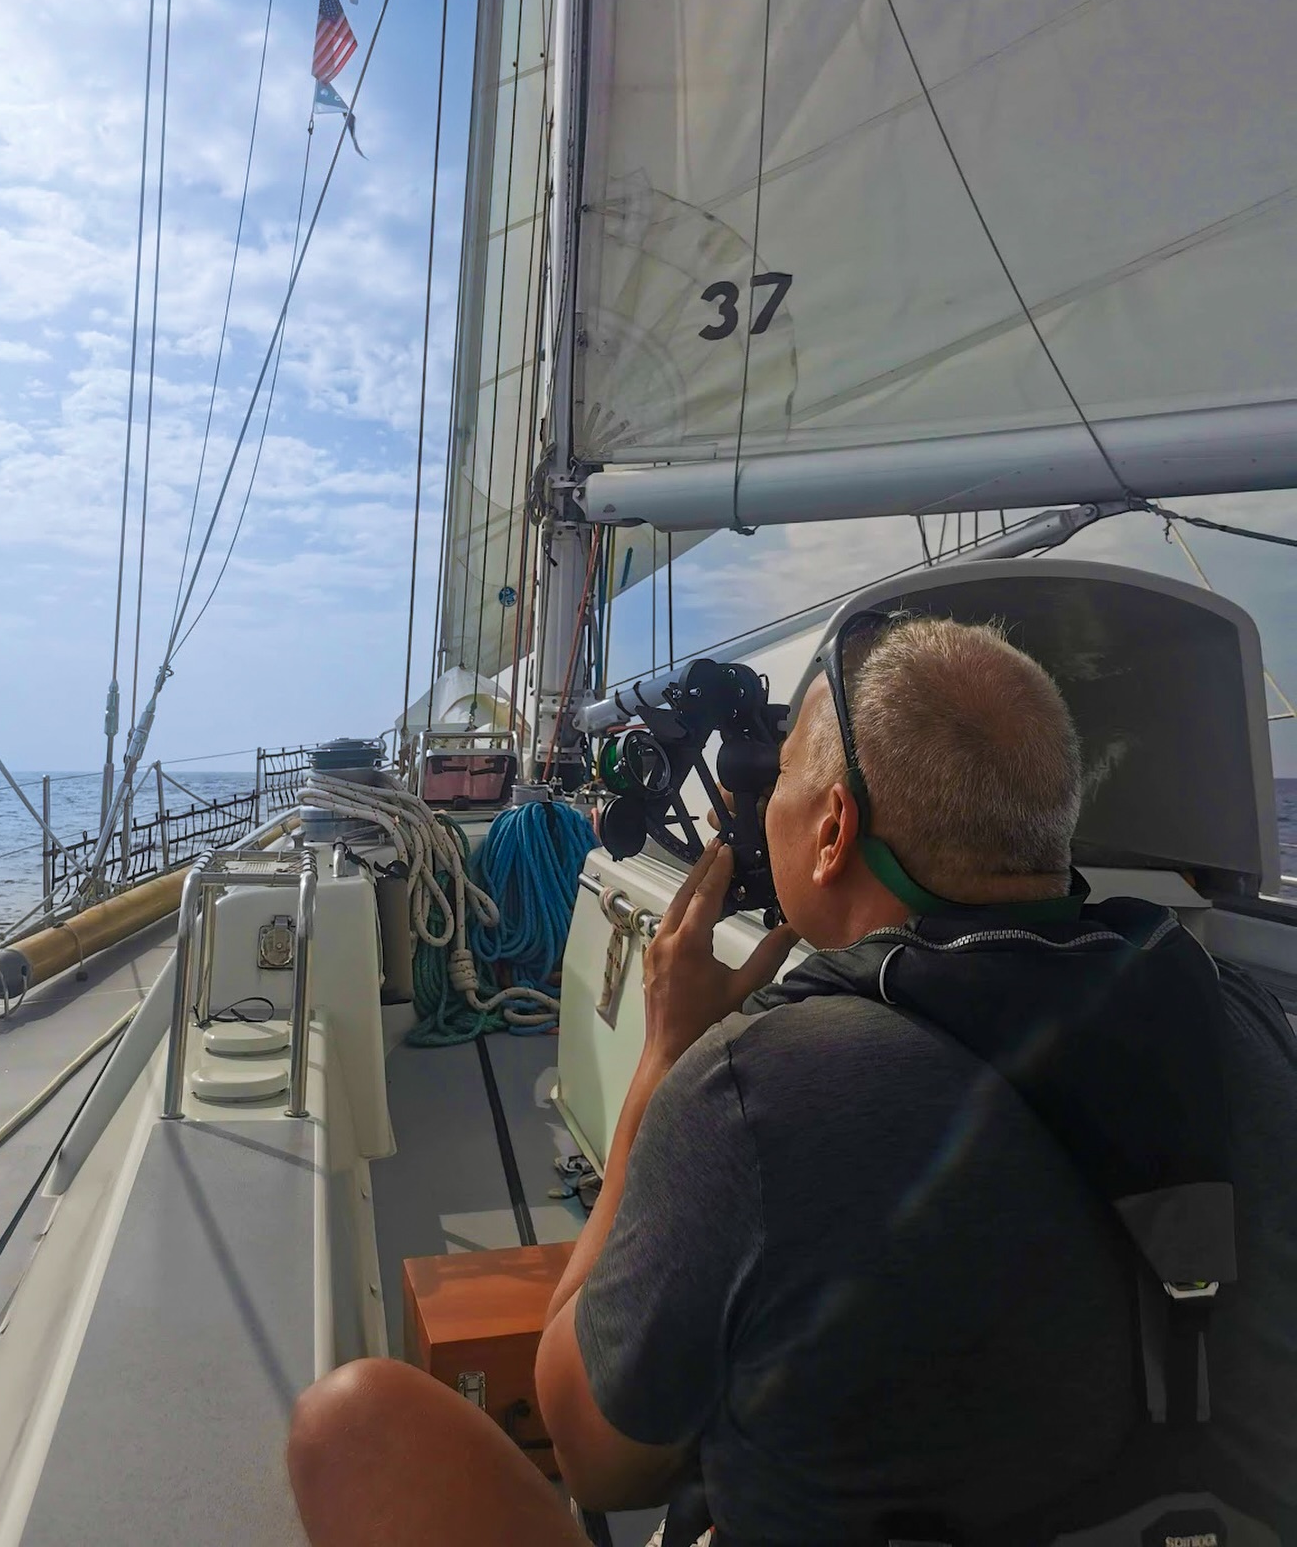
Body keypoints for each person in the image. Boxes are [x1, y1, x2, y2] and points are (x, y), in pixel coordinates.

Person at [286, 616, 1297, 1547]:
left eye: (783, 782)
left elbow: (595, 1455)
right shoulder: (1245, 1023)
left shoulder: (755, 1090)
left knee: (355, 1425)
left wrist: (665, 1056)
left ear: (832, 831)